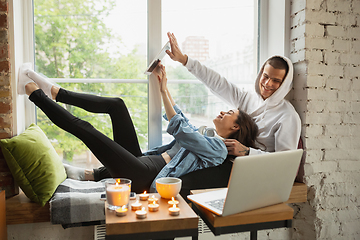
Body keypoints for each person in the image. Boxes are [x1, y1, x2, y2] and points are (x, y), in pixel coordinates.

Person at [17, 63, 260, 193]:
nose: (222, 112)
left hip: (147, 175)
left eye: (229, 113)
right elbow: (181, 119)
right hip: (145, 160)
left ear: (236, 127)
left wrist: (166, 93)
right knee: (117, 105)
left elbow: (182, 130)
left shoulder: (217, 149)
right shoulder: (207, 135)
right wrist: (163, 87)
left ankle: (36, 95)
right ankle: (58, 93)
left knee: (87, 130)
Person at [165, 32, 301, 198]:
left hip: (253, 176)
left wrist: (247, 152)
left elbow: (286, 164)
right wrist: (184, 60)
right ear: (260, 73)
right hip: (226, 161)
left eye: (276, 81)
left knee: (181, 184)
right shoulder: (249, 98)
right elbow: (218, 82)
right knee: (178, 178)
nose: (268, 84)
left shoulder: (287, 116)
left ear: (285, 84)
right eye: (265, 76)